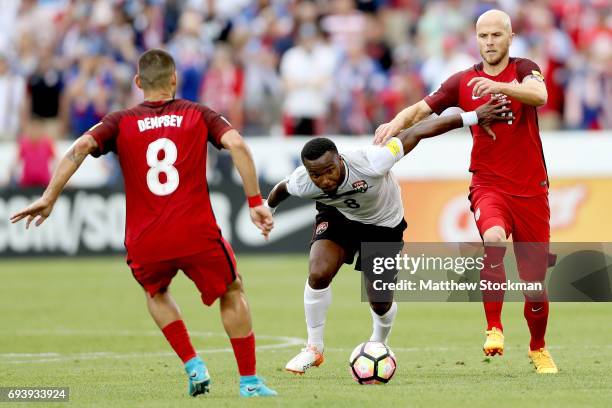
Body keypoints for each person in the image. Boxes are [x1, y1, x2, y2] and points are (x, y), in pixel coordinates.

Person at [10, 49, 277, 397]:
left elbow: (80, 147)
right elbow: (237, 144)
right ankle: (249, 383)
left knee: (156, 292)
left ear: (138, 82)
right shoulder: (197, 113)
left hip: (145, 237)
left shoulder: (119, 121)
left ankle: (193, 364)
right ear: (174, 79)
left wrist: (49, 196)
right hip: (195, 231)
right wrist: (255, 201)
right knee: (232, 289)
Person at [267, 97, 509, 375]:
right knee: (318, 272)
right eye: (316, 175)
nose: (324, 180)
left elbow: (415, 132)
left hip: (384, 226)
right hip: (339, 220)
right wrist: (267, 207)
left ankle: (378, 344)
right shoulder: (304, 181)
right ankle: (314, 348)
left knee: (379, 300)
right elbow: (282, 188)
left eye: (329, 170)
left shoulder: (373, 161)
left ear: (340, 160)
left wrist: (473, 117)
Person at [374, 10, 557, 374]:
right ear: (476, 39)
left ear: (509, 37)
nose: (489, 43)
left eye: (496, 36)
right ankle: (494, 328)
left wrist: (501, 88)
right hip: (488, 183)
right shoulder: (463, 81)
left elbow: (540, 94)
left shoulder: (524, 69)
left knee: (534, 283)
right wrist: (394, 123)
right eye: (483, 36)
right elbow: (423, 109)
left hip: (531, 189)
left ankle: (538, 348)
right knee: (492, 238)